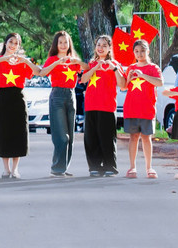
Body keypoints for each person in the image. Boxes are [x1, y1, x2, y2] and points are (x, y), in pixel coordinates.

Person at [0, 33, 39, 178]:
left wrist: (25, 60)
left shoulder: (21, 61)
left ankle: (15, 169)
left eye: (16, 43)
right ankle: (6, 169)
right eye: (10, 42)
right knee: (4, 132)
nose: (13, 45)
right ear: (5, 43)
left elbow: (37, 72)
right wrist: (4, 58)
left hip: (18, 98)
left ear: (19, 46)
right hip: (3, 98)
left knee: (19, 132)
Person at [35, 30, 82, 177]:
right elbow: (42, 73)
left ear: (69, 44)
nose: (63, 45)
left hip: (71, 95)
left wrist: (77, 62)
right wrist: (57, 63)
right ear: (56, 44)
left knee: (70, 136)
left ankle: (63, 167)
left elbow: (86, 69)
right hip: (57, 95)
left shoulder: (73, 59)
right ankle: (56, 167)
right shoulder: (52, 59)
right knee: (61, 136)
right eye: (60, 42)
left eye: (65, 42)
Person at [80, 35, 124, 177]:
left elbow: (123, 85)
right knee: (91, 138)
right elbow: (83, 79)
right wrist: (96, 68)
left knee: (107, 138)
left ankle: (110, 166)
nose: (100, 48)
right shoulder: (91, 63)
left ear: (109, 48)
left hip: (107, 106)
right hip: (91, 105)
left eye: (104, 45)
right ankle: (94, 166)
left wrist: (114, 69)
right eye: (98, 45)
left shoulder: (115, 64)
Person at [121, 40, 163, 179]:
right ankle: (132, 167)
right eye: (137, 51)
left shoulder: (153, 67)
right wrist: (130, 77)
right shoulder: (131, 68)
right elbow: (123, 87)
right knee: (133, 137)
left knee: (146, 138)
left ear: (148, 51)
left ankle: (149, 167)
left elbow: (160, 82)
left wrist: (143, 75)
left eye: (143, 51)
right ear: (134, 53)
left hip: (147, 108)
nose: (140, 54)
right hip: (132, 108)